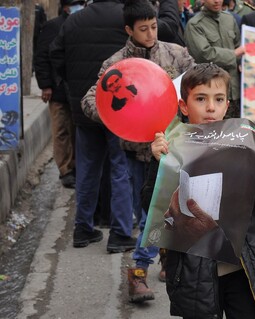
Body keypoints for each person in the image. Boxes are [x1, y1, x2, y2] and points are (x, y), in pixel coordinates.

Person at [146, 63, 255, 318]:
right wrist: (158, 165)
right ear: (183, 106)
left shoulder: (244, 145)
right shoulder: (172, 148)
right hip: (194, 273)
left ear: (227, 105)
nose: (210, 107)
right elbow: (151, 210)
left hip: (246, 270)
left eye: (218, 99)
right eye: (201, 99)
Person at [81, 0, 195, 303]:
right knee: (149, 213)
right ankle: (142, 269)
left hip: (173, 149)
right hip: (134, 152)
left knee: (170, 210)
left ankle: (153, 263)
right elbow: (90, 101)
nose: (150, 33)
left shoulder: (176, 54)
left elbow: (196, 88)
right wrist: (116, 114)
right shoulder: (116, 65)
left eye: (154, 26)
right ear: (129, 30)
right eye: (143, 29)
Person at [50, 0, 136, 253]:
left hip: (83, 107)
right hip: (118, 109)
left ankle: (82, 229)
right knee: (120, 169)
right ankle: (120, 232)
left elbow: (56, 54)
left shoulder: (74, 20)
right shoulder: (125, 19)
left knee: (87, 170)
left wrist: (74, 86)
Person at [34, 0, 83, 189]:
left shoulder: (81, 24)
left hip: (77, 91)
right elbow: (42, 57)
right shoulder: (52, 26)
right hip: (58, 91)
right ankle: (66, 169)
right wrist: (46, 85)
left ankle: (78, 166)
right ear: (66, 7)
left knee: (76, 131)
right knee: (61, 131)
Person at [184, 0, 245, 118]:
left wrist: (242, 63)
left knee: (235, 132)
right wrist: (233, 54)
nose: (217, 1)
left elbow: (239, 45)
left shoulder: (229, 19)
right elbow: (204, 54)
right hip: (210, 94)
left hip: (235, 92)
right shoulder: (195, 25)